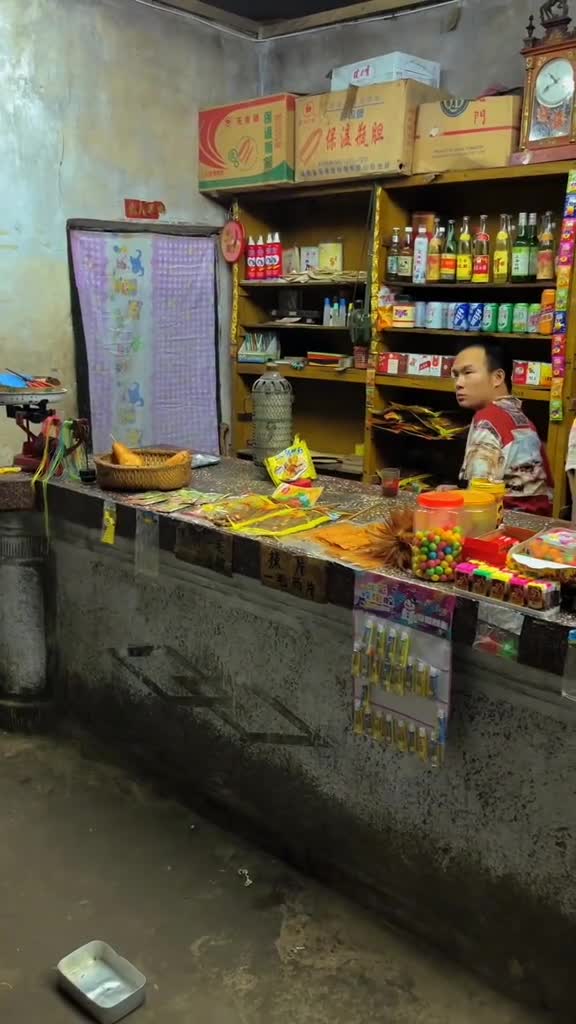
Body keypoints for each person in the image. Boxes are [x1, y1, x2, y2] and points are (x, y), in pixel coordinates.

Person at [451, 340, 553, 514]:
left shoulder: (487, 420)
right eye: (456, 375)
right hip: (536, 522)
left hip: (504, 521)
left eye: (468, 373)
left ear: (497, 377)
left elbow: (478, 500)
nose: (458, 383)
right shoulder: (519, 417)